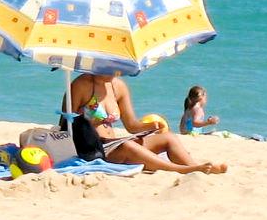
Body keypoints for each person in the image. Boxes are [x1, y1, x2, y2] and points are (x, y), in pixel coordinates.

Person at [66, 71, 226, 174]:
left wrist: (150, 126)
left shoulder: (118, 87)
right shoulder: (82, 84)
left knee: (168, 137)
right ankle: (182, 170)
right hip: (94, 147)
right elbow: (67, 124)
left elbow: (131, 125)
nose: (115, 70)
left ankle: (195, 167)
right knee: (128, 146)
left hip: (115, 143)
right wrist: (88, 120)